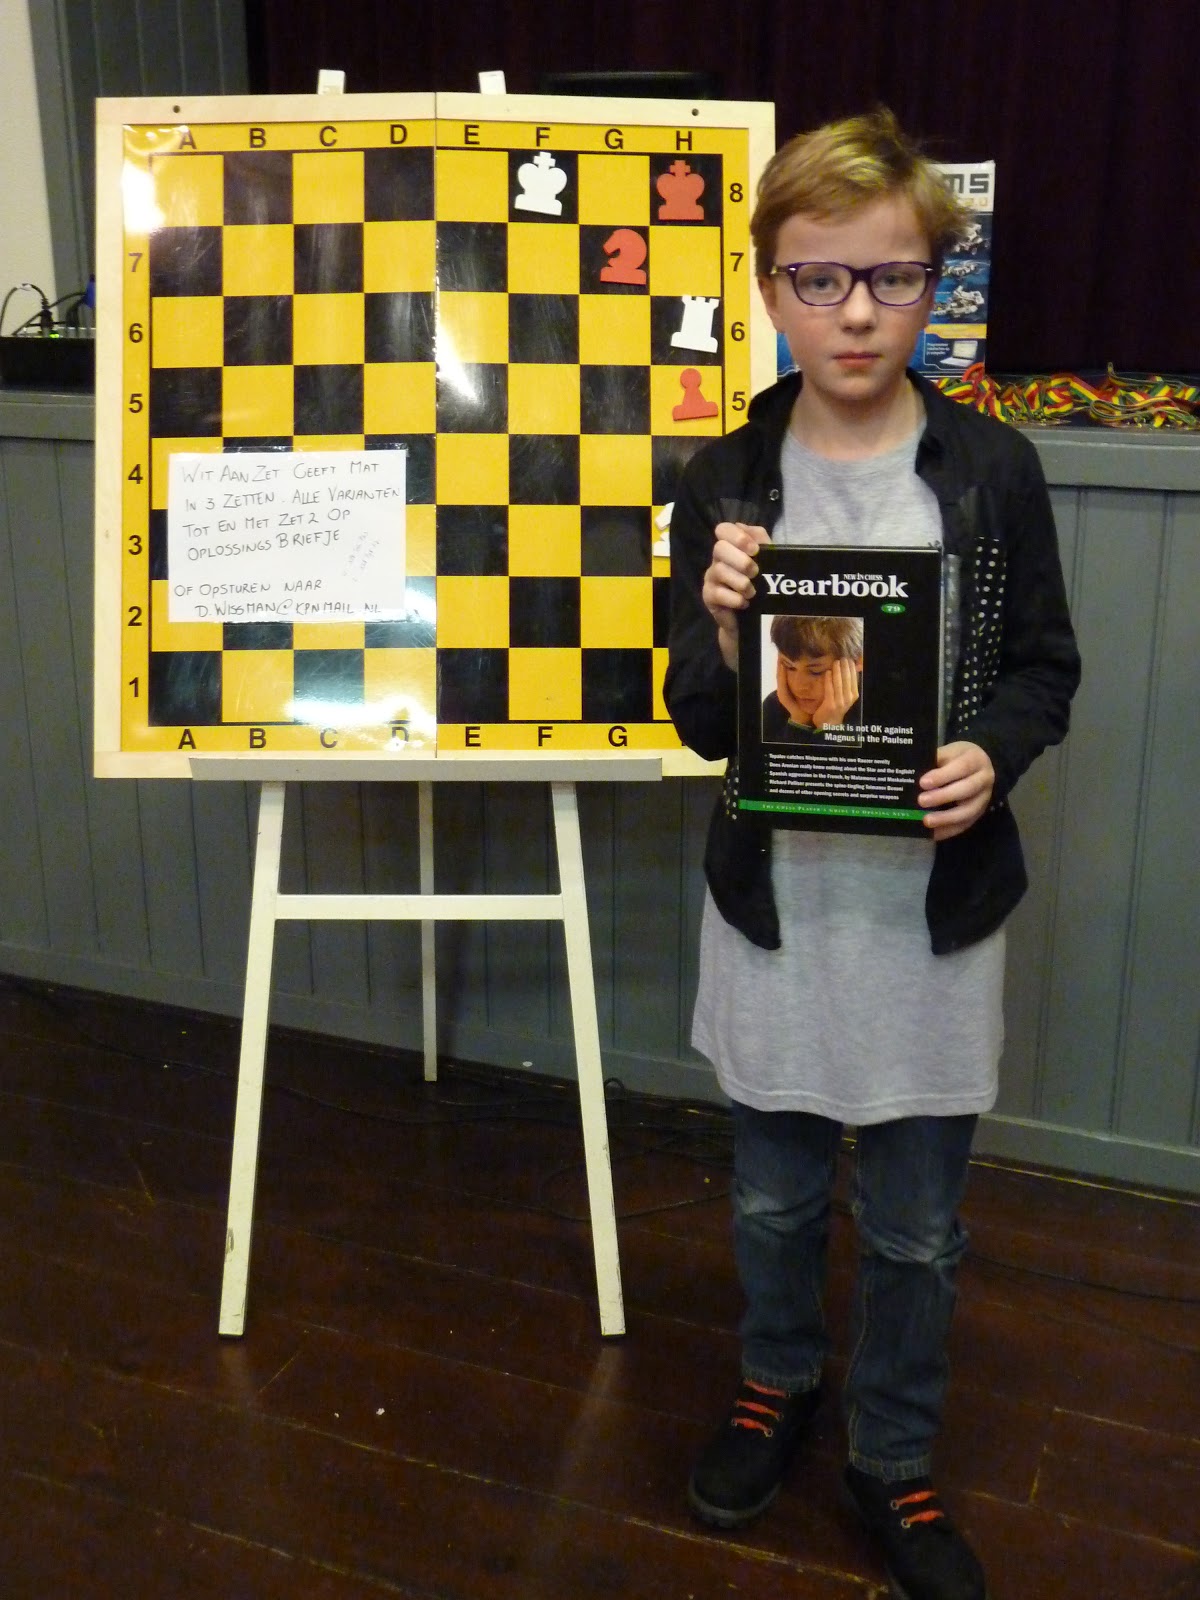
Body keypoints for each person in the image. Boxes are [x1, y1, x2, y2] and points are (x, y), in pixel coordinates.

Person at [663, 106, 1080, 1600]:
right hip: (779, 911)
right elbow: (699, 720)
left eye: (892, 278)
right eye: (820, 277)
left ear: (932, 287)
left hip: (930, 921)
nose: (855, 312)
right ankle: (776, 1380)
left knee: (914, 1231)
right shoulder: (724, 477)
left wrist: (993, 754)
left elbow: (1044, 667)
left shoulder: (991, 470)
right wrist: (726, 637)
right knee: (772, 1197)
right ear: (769, 287)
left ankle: (892, 1450)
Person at [762, 613, 863, 743]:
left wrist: (830, 727)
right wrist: (798, 721)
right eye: (789, 667)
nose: (799, 687)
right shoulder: (774, 705)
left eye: (816, 672)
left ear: (857, 660)